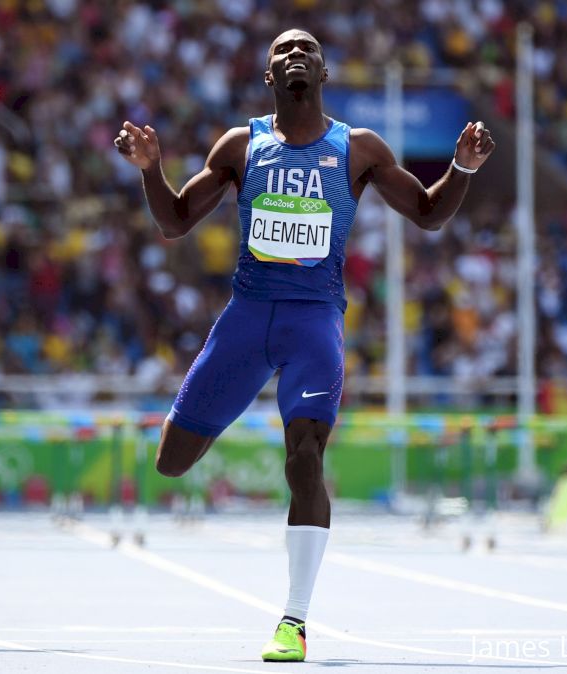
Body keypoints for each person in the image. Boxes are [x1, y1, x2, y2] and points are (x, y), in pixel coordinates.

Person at [114, 28, 493, 662]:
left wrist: (462, 170)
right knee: (172, 462)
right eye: (282, 50)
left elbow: (428, 213)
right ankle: (231, 411)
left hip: (314, 321)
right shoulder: (242, 145)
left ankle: (294, 619)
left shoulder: (358, 150)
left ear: (324, 72)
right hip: (246, 317)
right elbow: (174, 221)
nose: (295, 54)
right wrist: (152, 171)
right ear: (268, 77)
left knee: (307, 459)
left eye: (307, 49)